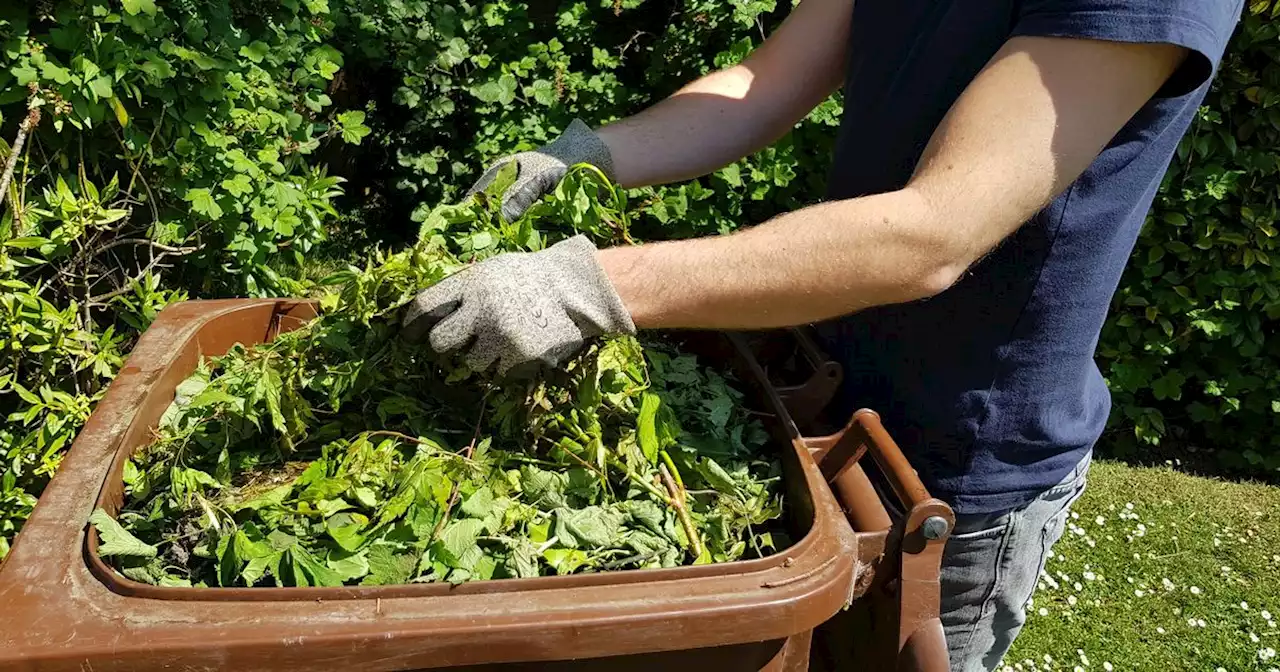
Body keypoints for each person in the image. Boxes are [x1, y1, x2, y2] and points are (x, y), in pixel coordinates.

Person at [401, 1, 1243, 669]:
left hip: (951, 470)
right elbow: (762, 86)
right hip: (820, 402)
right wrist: (588, 152)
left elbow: (936, 232)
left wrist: (593, 282)